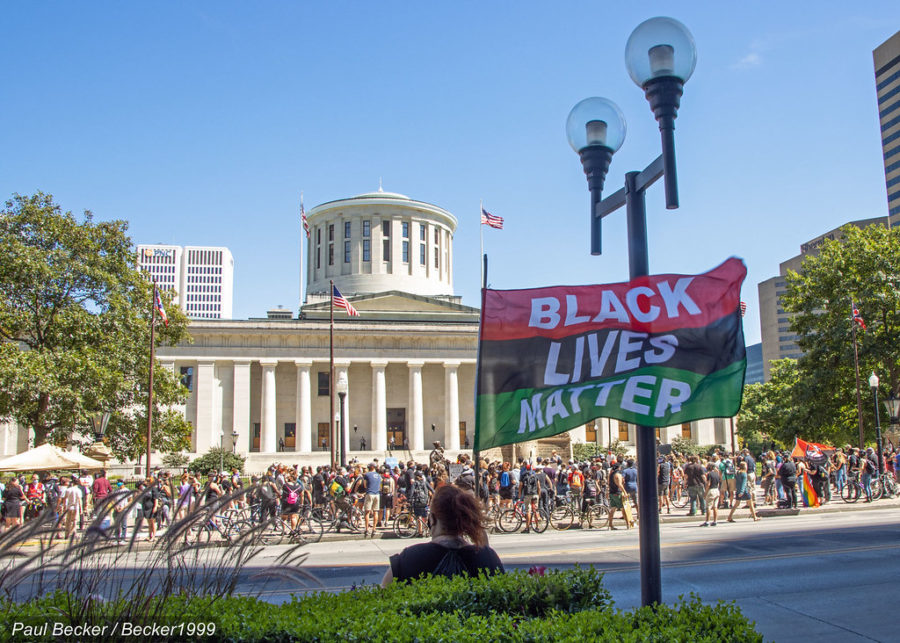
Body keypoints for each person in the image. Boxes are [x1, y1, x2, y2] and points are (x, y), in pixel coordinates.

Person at [381, 484, 503, 586]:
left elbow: (383, 597)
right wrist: (484, 547)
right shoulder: (487, 558)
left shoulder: (407, 559)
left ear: (432, 519)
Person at [518, 463, 541, 533]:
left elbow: (520, 486)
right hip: (535, 494)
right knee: (536, 510)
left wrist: (519, 494)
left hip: (527, 494)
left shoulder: (523, 476)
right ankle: (537, 526)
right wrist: (538, 494)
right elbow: (538, 486)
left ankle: (527, 527)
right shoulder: (535, 475)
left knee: (528, 510)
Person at [362, 463, 382, 536]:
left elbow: (365, 485)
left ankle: (367, 529)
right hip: (377, 493)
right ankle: (374, 528)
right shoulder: (379, 475)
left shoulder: (367, 475)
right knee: (375, 512)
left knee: (367, 512)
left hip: (370, 493)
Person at [702, 461, 721, 526]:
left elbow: (708, 484)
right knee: (715, 507)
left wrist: (705, 493)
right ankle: (715, 521)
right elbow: (718, 483)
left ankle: (707, 521)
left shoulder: (709, 474)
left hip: (711, 490)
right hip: (716, 490)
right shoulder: (717, 474)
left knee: (708, 507)